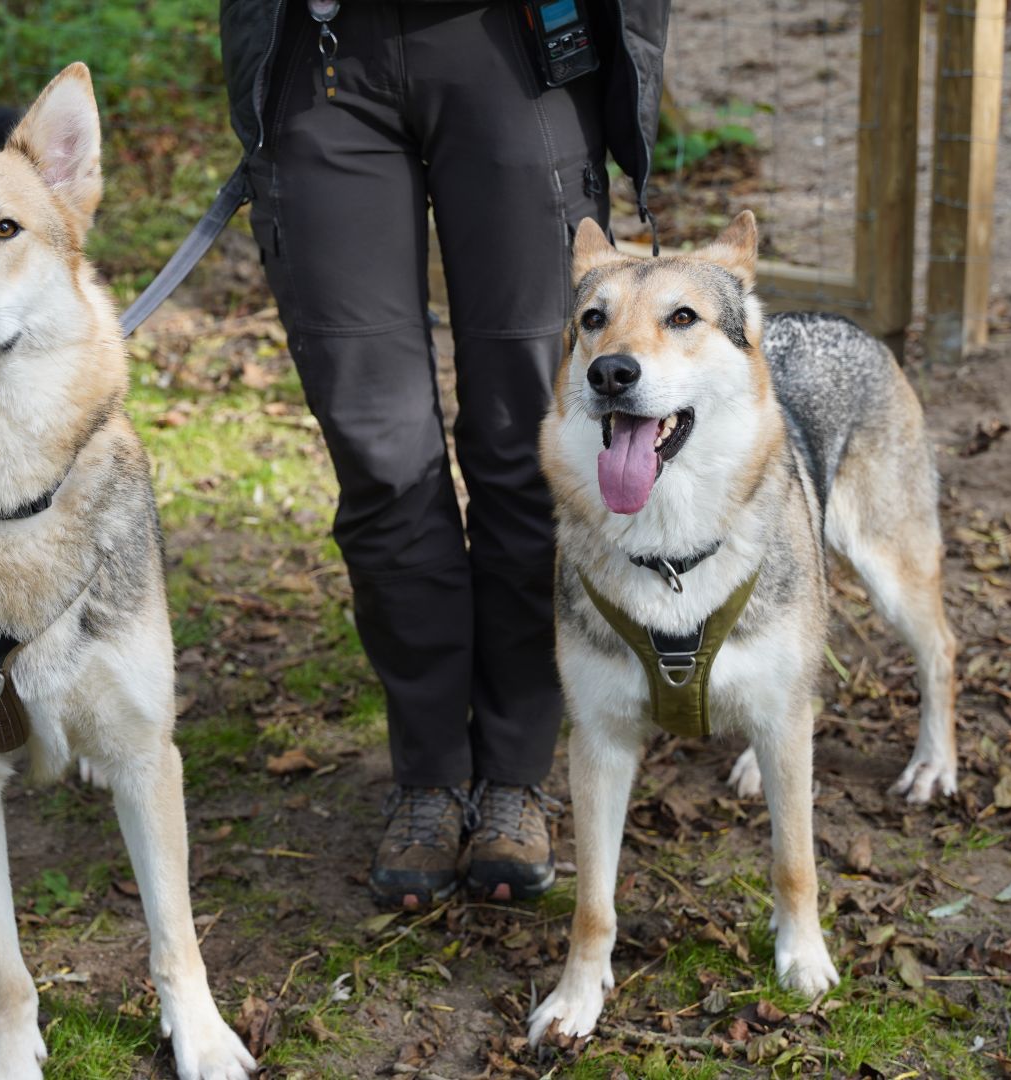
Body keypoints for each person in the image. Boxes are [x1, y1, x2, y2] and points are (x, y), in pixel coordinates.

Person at [220, 0, 670, 908]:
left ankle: (514, 771)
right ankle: (428, 776)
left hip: (508, 43)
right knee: (383, 459)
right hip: (323, 60)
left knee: (527, 445)